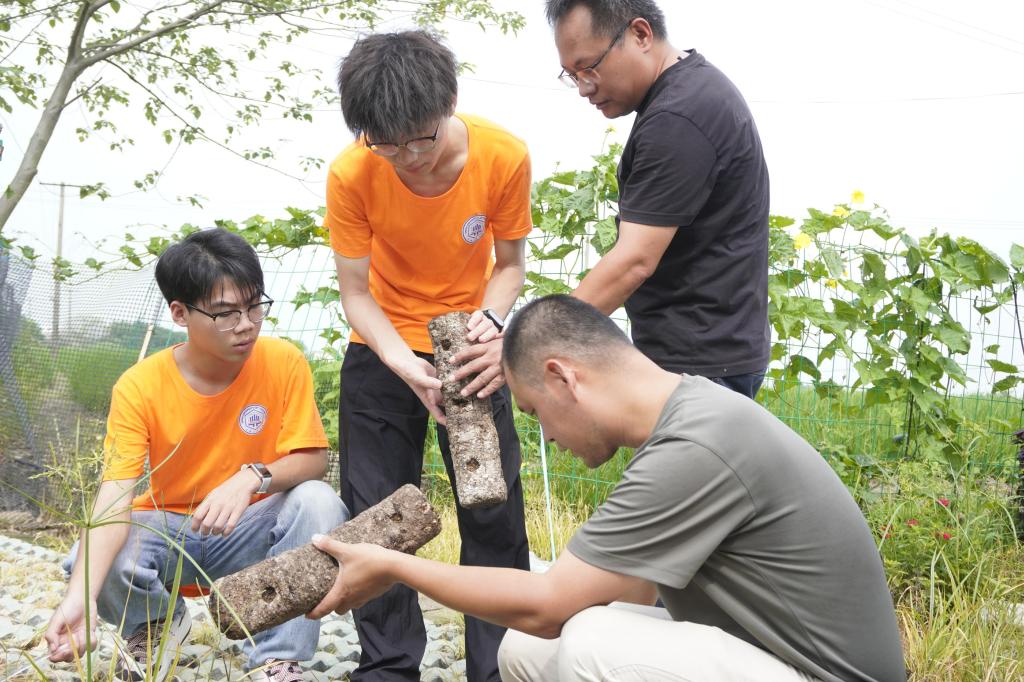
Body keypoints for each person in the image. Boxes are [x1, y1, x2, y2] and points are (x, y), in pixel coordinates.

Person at [306, 294, 907, 682]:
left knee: (592, 642)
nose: (548, 436)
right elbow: (617, 592)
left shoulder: (697, 446)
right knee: (524, 652)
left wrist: (395, 566)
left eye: (535, 413)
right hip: (766, 662)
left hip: (821, 675)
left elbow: (549, 605)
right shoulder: (682, 419)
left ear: (563, 378)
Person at [43, 228, 349, 682]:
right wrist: (79, 597)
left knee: (319, 501)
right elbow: (114, 495)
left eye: (254, 306)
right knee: (94, 553)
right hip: (172, 533)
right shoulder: (140, 386)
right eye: (225, 313)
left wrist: (251, 478)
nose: (246, 324)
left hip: (250, 527)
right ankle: (155, 625)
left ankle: (277, 659)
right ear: (180, 313)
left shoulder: (283, 361)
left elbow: (313, 460)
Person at [324, 30, 532, 681]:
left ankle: (499, 668)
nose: (407, 158)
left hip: (467, 347)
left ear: (449, 105)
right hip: (381, 348)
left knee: (492, 512)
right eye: (386, 144)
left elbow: (511, 265)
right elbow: (356, 293)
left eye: (420, 139)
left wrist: (490, 322)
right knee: (377, 517)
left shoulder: (503, 155)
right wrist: (399, 361)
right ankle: (388, 667)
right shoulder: (352, 172)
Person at [547, 0, 772, 399]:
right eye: (572, 75)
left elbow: (633, 261)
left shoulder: (678, 116)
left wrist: (536, 340)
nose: (584, 87)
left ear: (640, 34)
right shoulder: (692, 91)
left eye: (589, 67)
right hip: (708, 352)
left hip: (701, 366)